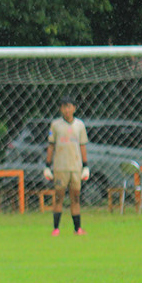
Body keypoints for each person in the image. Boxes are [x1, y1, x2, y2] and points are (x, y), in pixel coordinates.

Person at [44, 95, 89, 236]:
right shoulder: (55, 125)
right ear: (60, 109)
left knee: (75, 197)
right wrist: (47, 166)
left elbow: (82, 146)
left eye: (69, 106)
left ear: (74, 108)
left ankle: (78, 229)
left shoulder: (80, 125)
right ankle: (56, 228)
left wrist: (86, 166)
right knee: (59, 197)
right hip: (60, 167)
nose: (67, 110)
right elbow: (51, 146)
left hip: (75, 167)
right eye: (64, 107)